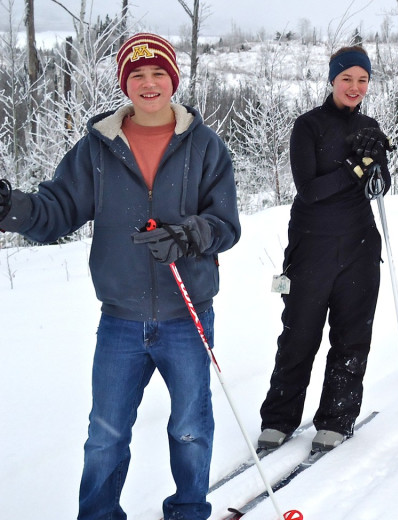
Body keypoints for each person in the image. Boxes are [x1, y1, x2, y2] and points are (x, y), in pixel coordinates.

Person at [0, 33, 241, 519]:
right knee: (105, 435)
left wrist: (188, 235)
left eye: (157, 74)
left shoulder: (205, 146)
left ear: (172, 80)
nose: (148, 83)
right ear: (124, 83)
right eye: (137, 75)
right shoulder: (98, 148)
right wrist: (12, 208)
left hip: (186, 316)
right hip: (121, 321)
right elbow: (56, 210)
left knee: (190, 426)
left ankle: (189, 510)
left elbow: (226, 225)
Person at [257, 45, 391, 452]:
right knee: (299, 335)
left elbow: (380, 188)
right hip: (311, 246)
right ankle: (279, 418)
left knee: (352, 336)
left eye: (362, 80)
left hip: (360, 245)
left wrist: (377, 161)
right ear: (332, 79)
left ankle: (336, 417)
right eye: (346, 78)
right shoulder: (308, 126)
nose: (354, 87)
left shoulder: (370, 127)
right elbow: (310, 190)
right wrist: (355, 166)